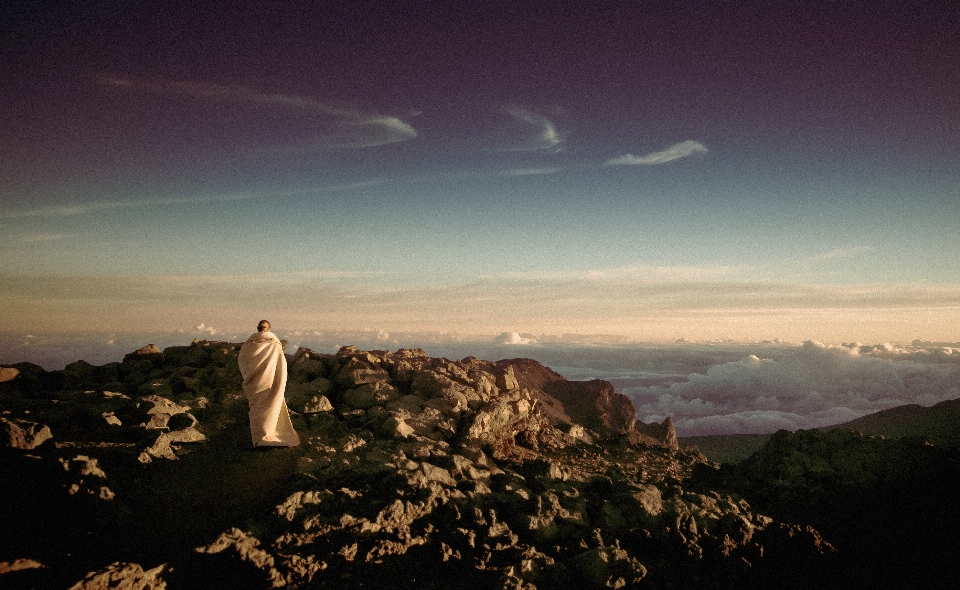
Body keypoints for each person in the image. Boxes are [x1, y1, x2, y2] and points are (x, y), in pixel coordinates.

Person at [237, 320, 300, 447]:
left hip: (253, 383)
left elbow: (242, 362)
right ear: (269, 329)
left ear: (258, 329)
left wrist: (250, 376)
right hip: (269, 383)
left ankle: (258, 437)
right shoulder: (274, 344)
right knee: (269, 407)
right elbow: (280, 365)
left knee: (256, 407)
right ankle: (266, 436)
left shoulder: (247, 345)